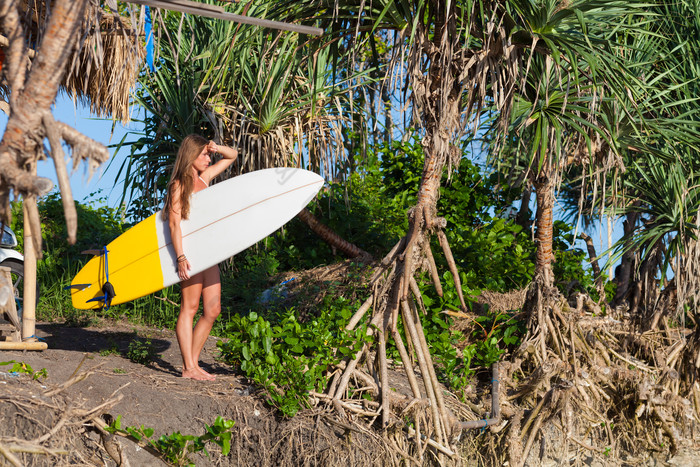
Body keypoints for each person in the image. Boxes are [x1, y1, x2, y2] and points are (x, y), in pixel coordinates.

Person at [162, 134, 238, 380]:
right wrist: (180, 257)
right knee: (190, 307)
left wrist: (215, 147)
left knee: (213, 309)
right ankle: (188, 368)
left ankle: (193, 364)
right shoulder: (179, 184)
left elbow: (233, 155)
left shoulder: (204, 179)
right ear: (191, 155)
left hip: (209, 252)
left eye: (208, 154)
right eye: (204, 154)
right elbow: (174, 224)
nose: (208, 158)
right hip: (190, 253)